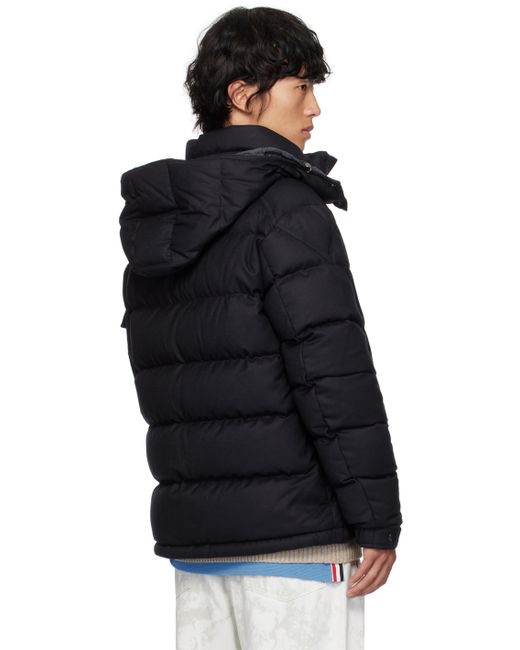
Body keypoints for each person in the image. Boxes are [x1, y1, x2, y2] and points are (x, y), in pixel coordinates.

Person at [119, 6, 403, 649]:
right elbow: (331, 375)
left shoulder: (163, 224)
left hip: (200, 546)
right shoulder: (287, 207)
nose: (315, 108)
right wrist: (377, 519)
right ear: (243, 95)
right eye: (301, 87)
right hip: (298, 543)